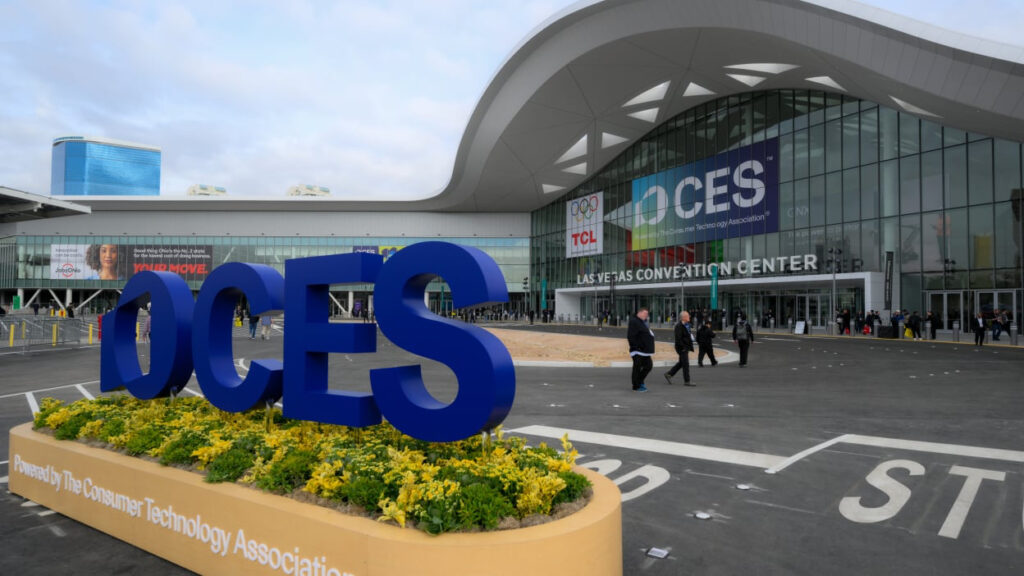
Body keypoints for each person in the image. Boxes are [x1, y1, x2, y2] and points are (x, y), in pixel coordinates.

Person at [627, 308, 655, 392]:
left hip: (644, 351)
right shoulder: (634, 321)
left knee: (648, 366)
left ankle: (639, 381)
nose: (646, 315)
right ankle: (636, 386)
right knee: (637, 367)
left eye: (647, 314)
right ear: (639, 313)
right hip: (638, 350)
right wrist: (636, 346)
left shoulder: (642, 322)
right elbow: (631, 336)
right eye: (645, 313)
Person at [664, 311, 695, 386]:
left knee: (682, 363)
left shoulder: (687, 325)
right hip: (681, 348)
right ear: (683, 317)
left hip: (686, 347)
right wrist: (683, 347)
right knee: (685, 364)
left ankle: (669, 374)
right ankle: (687, 381)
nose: (689, 316)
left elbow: (687, 335)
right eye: (688, 316)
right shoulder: (678, 326)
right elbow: (678, 339)